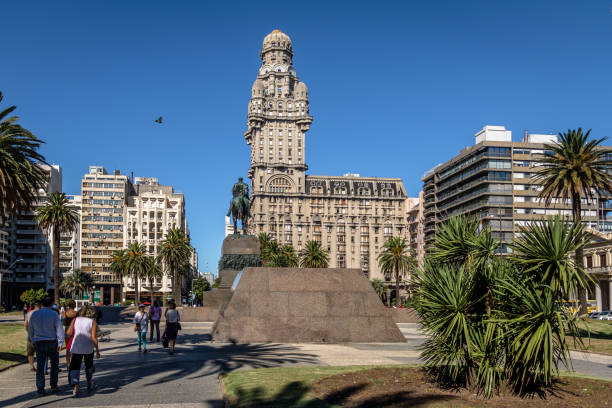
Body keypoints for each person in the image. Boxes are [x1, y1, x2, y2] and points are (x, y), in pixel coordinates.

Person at [28, 296, 64, 395]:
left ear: (41, 304)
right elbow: (59, 329)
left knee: (40, 366)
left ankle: (40, 388)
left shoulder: (35, 314)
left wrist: (32, 340)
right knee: (54, 365)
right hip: (52, 341)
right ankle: (53, 384)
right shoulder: (54, 314)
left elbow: (31, 329)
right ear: (51, 303)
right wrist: (60, 342)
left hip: (39, 342)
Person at [66, 304, 100, 397]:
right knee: (89, 366)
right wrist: (97, 350)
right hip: (88, 348)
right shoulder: (92, 322)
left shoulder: (75, 320)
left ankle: (76, 387)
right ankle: (89, 383)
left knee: (75, 367)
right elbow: (93, 337)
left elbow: (68, 333)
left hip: (76, 347)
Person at [24, 302, 41, 371]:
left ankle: (32, 366)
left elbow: (25, 324)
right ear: (39, 305)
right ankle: (40, 365)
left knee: (30, 351)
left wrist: (28, 331)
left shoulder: (29, 313)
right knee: (40, 351)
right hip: (39, 334)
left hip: (31, 334)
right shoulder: (41, 313)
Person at [63, 300, 78, 368]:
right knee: (74, 347)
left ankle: (68, 363)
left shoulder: (65, 313)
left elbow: (63, 322)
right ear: (74, 305)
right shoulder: (76, 313)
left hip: (67, 330)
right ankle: (73, 363)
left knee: (67, 348)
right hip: (74, 329)